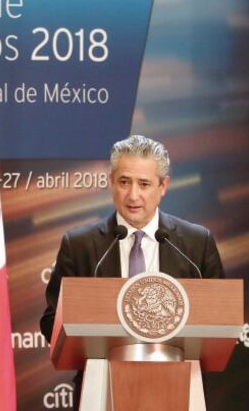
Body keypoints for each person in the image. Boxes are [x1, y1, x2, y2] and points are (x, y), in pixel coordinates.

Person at [39, 134, 225, 345]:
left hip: (180, 372)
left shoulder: (196, 243)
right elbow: (51, 321)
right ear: (111, 182)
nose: (133, 195)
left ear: (163, 186)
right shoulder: (79, 245)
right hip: (101, 374)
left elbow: (221, 317)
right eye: (124, 182)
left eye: (144, 184)